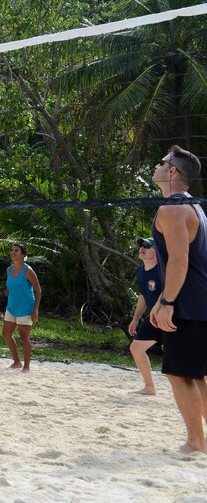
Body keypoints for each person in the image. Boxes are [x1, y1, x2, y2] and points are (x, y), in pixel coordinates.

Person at [148, 146, 207, 454]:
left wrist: (167, 301)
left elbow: (179, 262)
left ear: (173, 172)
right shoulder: (196, 207)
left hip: (188, 304)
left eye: (162, 163)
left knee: (179, 373)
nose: (156, 167)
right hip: (199, 302)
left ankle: (197, 442)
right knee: (196, 374)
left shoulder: (172, 209)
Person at [128, 237, 163, 395]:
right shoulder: (141, 270)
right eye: (141, 245)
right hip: (153, 319)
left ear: (157, 251)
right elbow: (143, 296)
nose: (142, 248)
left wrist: (158, 307)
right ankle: (150, 387)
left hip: (173, 317)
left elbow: (169, 290)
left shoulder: (163, 269)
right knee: (136, 348)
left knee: (184, 358)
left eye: (147, 246)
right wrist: (135, 319)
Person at [1, 243, 41, 372]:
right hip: (12, 307)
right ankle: (17, 362)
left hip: (25, 308)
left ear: (23, 254)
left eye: (16, 251)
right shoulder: (9, 269)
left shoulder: (28, 270)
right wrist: (2, 306)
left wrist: (35, 310)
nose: (13, 252)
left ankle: (27, 366)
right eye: (12, 250)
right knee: (6, 334)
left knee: (24, 337)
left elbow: (38, 290)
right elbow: (8, 289)